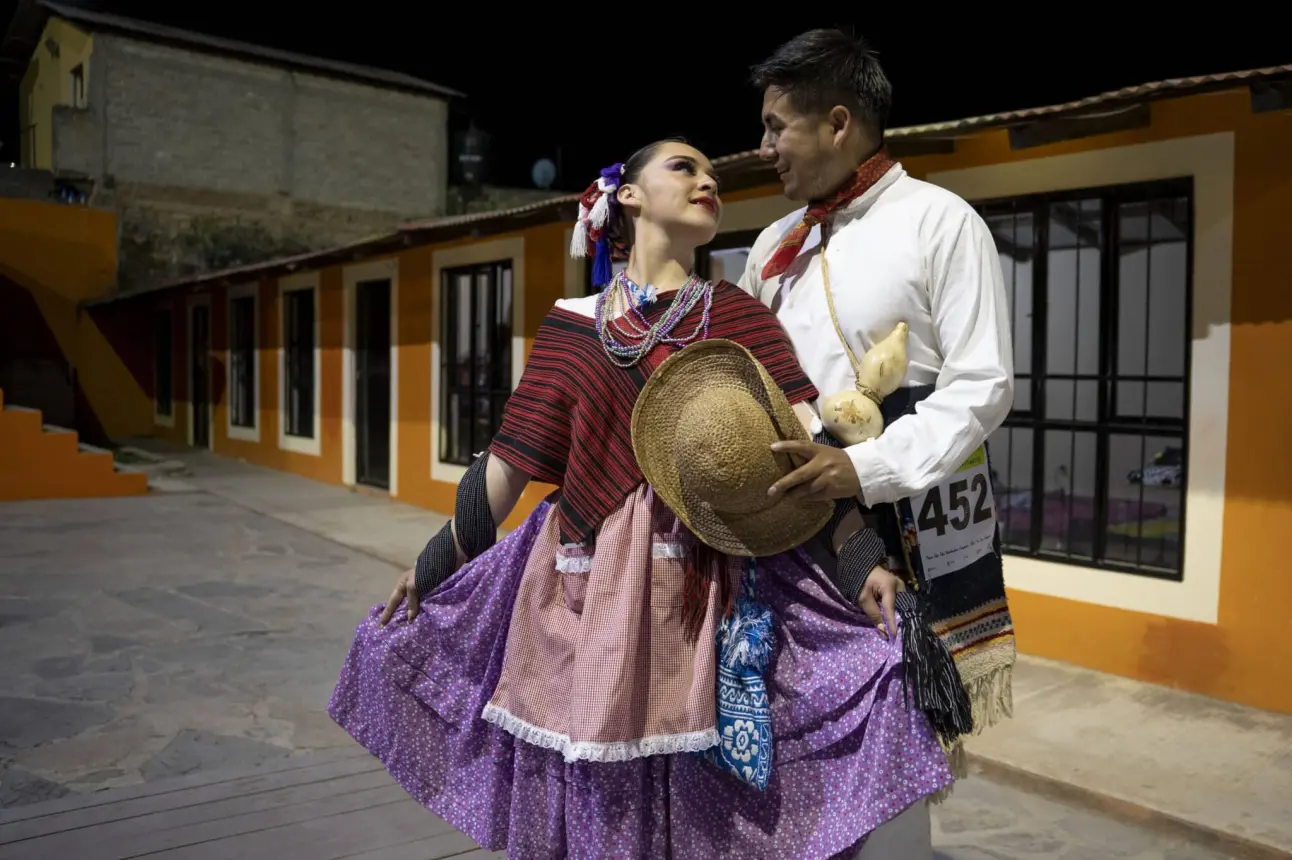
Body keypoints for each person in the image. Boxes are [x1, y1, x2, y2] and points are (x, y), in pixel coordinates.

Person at [328, 139, 961, 858]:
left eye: (713, 176)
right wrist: (437, 560)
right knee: (599, 792)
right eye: (685, 168)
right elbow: (506, 464)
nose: (707, 182)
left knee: (723, 796)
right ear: (626, 196)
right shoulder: (571, 323)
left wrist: (863, 561)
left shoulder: (740, 318)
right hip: (584, 592)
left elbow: (804, 457)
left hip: (709, 587)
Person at [738, 29, 1020, 857]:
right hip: (793, 529)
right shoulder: (773, 248)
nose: (763, 149)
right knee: (791, 734)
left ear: (836, 122)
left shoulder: (940, 221)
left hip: (904, 525)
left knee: (892, 748)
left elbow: (982, 384)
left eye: (775, 126)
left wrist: (859, 466)